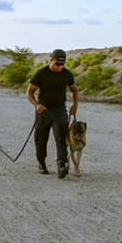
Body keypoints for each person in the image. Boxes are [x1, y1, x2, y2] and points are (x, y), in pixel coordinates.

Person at [26, 49, 79, 178]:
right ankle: (41, 163)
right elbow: (29, 92)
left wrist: (75, 104)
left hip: (60, 111)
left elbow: (74, 90)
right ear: (51, 61)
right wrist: (36, 104)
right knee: (41, 138)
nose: (60, 67)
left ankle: (62, 165)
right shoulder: (41, 73)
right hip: (44, 111)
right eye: (57, 64)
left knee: (61, 137)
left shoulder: (67, 74)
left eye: (63, 64)